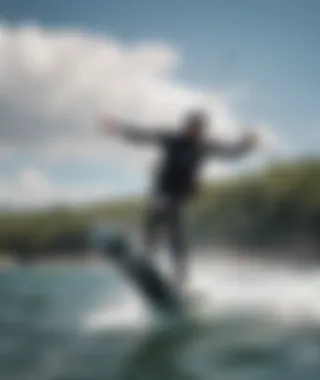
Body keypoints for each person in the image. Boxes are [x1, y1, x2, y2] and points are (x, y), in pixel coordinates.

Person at [100, 110, 260, 293]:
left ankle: (181, 279)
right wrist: (118, 129)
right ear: (186, 126)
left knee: (176, 236)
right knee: (156, 218)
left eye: (199, 128)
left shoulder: (204, 147)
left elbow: (229, 153)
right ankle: (147, 258)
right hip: (161, 192)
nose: (195, 131)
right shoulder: (173, 140)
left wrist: (247, 145)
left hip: (180, 197)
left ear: (202, 130)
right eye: (192, 127)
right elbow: (143, 136)